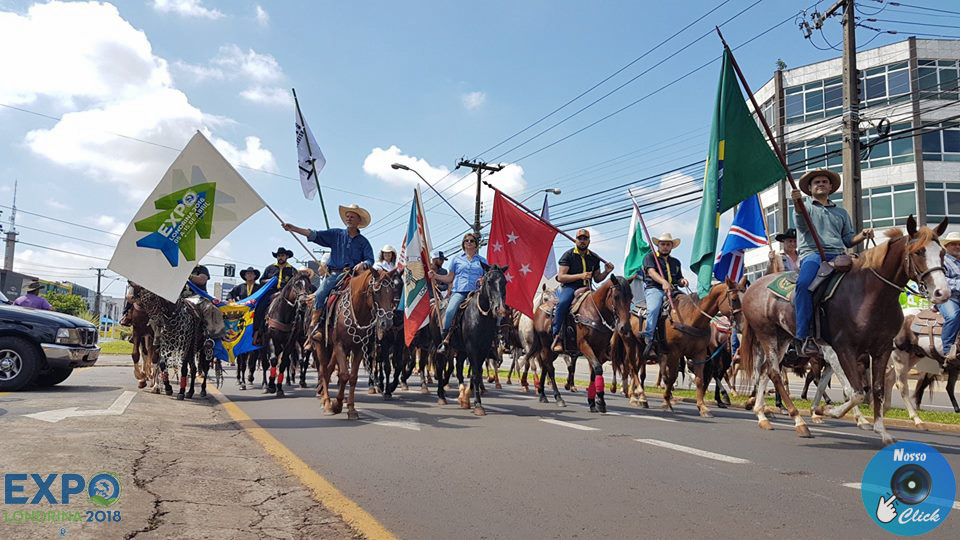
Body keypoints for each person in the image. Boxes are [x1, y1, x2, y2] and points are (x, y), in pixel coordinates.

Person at [792, 169, 873, 357]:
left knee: (870, 278)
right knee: (804, 285)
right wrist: (797, 204)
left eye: (824, 182)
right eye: (816, 182)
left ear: (830, 187)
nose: (820, 184)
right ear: (810, 189)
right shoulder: (805, 207)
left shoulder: (841, 212)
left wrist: (862, 235)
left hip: (839, 254)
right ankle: (803, 336)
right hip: (813, 254)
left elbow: (847, 240)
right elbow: (802, 224)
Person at [282, 203, 375, 326]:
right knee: (320, 294)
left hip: (355, 276)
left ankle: (373, 326)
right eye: (347, 216)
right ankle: (314, 325)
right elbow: (315, 234)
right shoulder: (336, 234)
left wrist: (363, 264)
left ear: (359, 220)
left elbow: (370, 260)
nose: (349, 218)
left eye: (352, 216)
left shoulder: (364, 242)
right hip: (335, 275)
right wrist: (294, 228)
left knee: (372, 295)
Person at [552, 229, 614, 352]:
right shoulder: (568, 255)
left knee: (607, 305)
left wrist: (607, 272)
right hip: (570, 287)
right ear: (576, 240)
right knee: (563, 303)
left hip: (588, 288)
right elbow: (561, 277)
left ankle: (608, 339)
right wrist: (580, 276)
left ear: (589, 241)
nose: (582, 241)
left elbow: (597, 279)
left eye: (585, 239)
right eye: (580, 238)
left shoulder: (594, 257)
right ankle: (557, 335)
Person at [429, 233, 488, 353]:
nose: (469, 242)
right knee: (450, 311)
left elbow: (486, 277)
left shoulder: (482, 260)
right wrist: (435, 276)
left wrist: (483, 279)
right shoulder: (456, 259)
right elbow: (449, 278)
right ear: (463, 244)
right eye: (467, 241)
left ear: (476, 244)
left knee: (492, 312)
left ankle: (493, 342)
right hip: (460, 292)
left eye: (472, 241)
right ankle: (445, 340)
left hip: (476, 293)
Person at [640, 232, 687, 358]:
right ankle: (648, 338)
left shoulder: (676, 262)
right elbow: (651, 272)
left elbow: (678, 278)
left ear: (672, 246)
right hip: (655, 289)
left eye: (668, 244)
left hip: (673, 290)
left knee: (688, 304)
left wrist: (682, 281)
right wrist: (663, 282)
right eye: (663, 244)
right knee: (654, 309)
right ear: (658, 245)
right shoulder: (650, 257)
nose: (665, 246)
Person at [939, 232, 960, 362]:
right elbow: (941, 280)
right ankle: (947, 351)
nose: (957, 247)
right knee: (953, 315)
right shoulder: (941, 261)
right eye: (953, 244)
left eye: (959, 244)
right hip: (946, 297)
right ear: (946, 246)